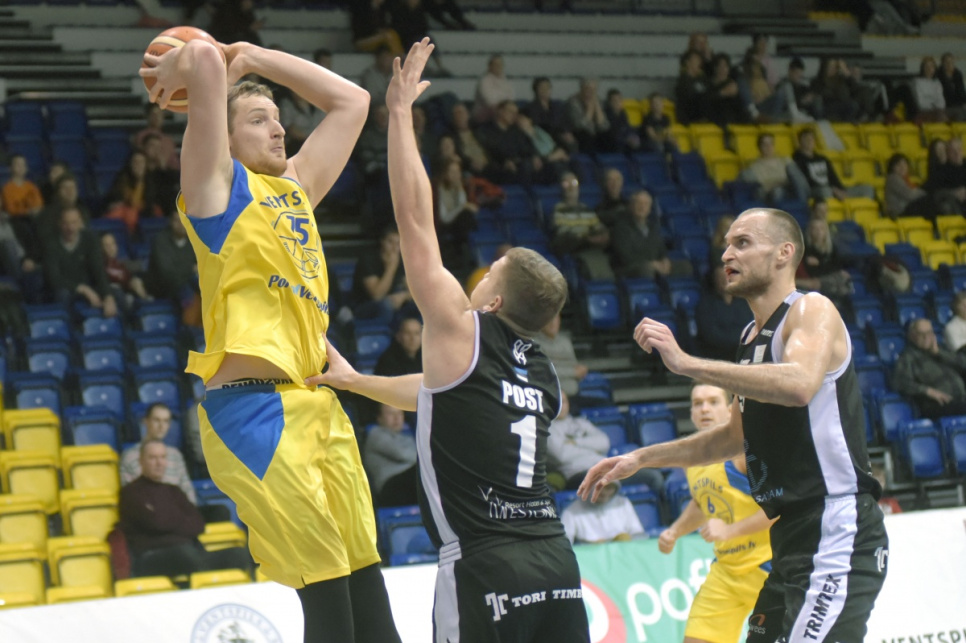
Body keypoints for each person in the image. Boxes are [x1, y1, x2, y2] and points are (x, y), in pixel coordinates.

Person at [308, 39, 590, 643]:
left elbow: (414, 218)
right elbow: (441, 392)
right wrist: (357, 382)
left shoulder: (461, 327)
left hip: (486, 564)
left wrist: (399, 114)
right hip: (558, 565)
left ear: (494, 302)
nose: (481, 272)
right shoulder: (544, 374)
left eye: (492, 270)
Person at [140, 32, 401, 642]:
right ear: (224, 139)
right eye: (259, 120)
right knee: (329, 596)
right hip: (253, 410)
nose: (280, 129)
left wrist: (255, 57)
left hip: (318, 406)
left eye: (279, 118)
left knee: (368, 588)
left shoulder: (297, 189)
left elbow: (354, 101)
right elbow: (204, 61)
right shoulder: (214, 191)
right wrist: (193, 63)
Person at [579, 207, 888, 643]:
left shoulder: (811, 309)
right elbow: (732, 437)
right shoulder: (748, 339)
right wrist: (641, 458)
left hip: (837, 524)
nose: (726, 254)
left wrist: (688, 364)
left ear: (784, 253)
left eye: (742, 243)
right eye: (726, 245)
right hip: (791, 534)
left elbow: (799, 384)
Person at [658, 383, 775, 643]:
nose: (704, 409)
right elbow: (703, 503)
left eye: (713, 402)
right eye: (698, 403)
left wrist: (730, 530)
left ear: (730, 409)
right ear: (691, 413)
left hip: (770, 568)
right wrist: (675, 531)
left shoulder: (745, 450)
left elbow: (779, 510)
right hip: (727, 572)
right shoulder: (692, 458)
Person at [120, 440, 251, 579]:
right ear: (141, 461)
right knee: (185, 554)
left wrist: (166, 519)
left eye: (163, 457)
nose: (159, 463)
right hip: (151, 557)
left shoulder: (174, 491)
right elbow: (157, 523)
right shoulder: (131, 493)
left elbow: (198, 524)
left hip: (188, 552)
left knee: (238, 554)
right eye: (153, 458)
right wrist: (179, 520)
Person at [43, 207, 118, 318]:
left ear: (80, 223)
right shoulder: (50, 243)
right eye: (66, 223)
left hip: (89, 285)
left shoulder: (90, 239)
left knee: (116, 294)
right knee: (62, 294)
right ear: (59, 224)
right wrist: (83, 289)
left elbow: (99, 271)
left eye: (74, 222)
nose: (70, 228)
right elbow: (54, 278)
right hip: (67, 289)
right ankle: (69, 326)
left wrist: (108, 296)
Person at [119, 403, 197, 504]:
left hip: (177, 510)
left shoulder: (175, 455)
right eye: (156, 420)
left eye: (166, 421)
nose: (161, 426)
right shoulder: (130, 456)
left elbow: (188, 493)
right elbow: (131, 496)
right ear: (146, 421)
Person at [892, 318, 966, 419]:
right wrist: (928, 391)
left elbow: (963, 364)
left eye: (929, 333)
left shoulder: (942, 349)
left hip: (961, 399)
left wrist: (939, 353)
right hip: (936, 404)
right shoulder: (908, 357)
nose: (926, 337)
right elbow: (900, 383)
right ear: (912, 336)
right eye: (921, 334)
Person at [550, 172, 613, 280]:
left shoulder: (586, 209)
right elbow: (563, 232)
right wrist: (586, 237)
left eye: (574, 183)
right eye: (566, 184)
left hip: (590, 244)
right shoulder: (558, 210)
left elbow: (597, 226)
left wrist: (603, 234)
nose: (571, 187)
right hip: (574, 245)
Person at [792, 129, 874, 202]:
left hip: (833, 189)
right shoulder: (797, 160)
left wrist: (840, 190)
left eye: (811, 138)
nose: (809, 141)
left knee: (867, 189)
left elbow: (833, 176)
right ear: (800, 141)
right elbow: (806, 182)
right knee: (825, 191)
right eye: (806, 139)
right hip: (817, 191)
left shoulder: (822, 159)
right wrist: (833, 190)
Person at [351, 224, 412, 320]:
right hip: (364, 306)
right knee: (386, 305)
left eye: (398, 243)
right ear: (382, 241)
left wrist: (404, 296)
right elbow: (377, 296)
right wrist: (391, 267)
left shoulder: (401, 260)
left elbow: (413, 291)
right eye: (390, 242)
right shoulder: (368, 260)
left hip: (392, 302)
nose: (394, 247)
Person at [694, 263, 752, 361]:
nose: (725, 281)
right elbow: (711, 336)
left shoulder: (745, 302)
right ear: (714, 279)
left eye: (727, 277)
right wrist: (739, 339)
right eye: (720, 277)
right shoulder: (705, 305)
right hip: (716, 357)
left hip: (743, 355)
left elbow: (750, 329)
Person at [363, 404, 417, 507]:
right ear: (379, 418)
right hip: (390, 488)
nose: (396, 418)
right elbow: (402, 454)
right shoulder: (375, 434)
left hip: (409, 484)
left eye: (399, 413)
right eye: (390, 413)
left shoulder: (407, 437)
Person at [611, 190, 672, 279]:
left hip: (653, 266)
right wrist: (652, 264)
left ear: (649, 209)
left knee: (684, 266)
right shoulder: (621, 228)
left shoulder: (653, 228)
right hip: (628, 268)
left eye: (645, 204)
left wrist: (665, 260)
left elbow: (662, 250)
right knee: (646, 268)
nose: (642, 207)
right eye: (638, 203)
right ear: (631, 206)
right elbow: (626, 257)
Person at [560, 481, 644, 544]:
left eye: (609, 487)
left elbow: (638, 534)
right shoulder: (571, 511)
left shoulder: (623, 503)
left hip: (623, 553)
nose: (604, 492)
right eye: (599, 487)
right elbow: (564, 543)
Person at [741, 133, 809, 205]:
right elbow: (762, 188)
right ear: (759, 147)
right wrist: (780, 182)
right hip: (773, 195)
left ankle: (803, 204)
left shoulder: (785, 160)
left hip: (792, 189)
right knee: (778, 191)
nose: (768, 147)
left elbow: (797, 179)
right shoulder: (754, 167)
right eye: (765, 144)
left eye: (771, 143)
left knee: (792, 170)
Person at [535, 313, 587, 398]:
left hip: (574, 395)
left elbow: (576, 367)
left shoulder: (565, 342)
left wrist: (580, 372)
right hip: (549, 396)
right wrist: (573, 372)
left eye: (555, 319)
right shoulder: (535, 344)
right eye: (549, 319)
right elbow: (543, 372)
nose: (552, 323)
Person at [566, 77, 610, 154]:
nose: (591, 92)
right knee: (586, 136)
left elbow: (604, 126)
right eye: (588, 89)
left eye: (594, 90)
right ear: (582, 89)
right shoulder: (573, 101)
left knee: (608, 136)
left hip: (595, 133)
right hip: (578, 133)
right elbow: (579, 126)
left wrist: (597, 106)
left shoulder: (598, 100)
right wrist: (590, 109)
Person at [884, 152, 934, 220]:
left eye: (904, 164)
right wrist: (924, 192)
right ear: (892, 167)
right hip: (898, 213)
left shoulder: (905, 180)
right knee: (927, 201)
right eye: (898, 165)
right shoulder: (893, 178)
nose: (902, 167)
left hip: (905, 209)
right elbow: (909, 195)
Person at [472, 54, 514, 123]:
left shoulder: (506, 81)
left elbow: (511, 98)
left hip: (503, 113)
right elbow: (490, 102)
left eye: (500, 64)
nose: (499, 67)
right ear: (490, 66)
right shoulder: (484, 81)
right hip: (485, 116)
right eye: (496, 64)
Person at [912, 56, 948, 123]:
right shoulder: (917, 82)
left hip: (937, 111)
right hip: (923, 112)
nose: (929, 69)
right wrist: (933, 104)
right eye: (927, 66)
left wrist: (931, 103)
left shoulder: (937, 83)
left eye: (931, 66)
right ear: (923, 68)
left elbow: (941, 101)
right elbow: (920, 103)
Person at [938, 53, 966, 121]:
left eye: (951, 62)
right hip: (945, 105)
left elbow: (961, 91)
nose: (949, 64)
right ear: (942, 63)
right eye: (946, 62)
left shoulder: (957, 74)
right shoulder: (938, 75)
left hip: (958, 105)